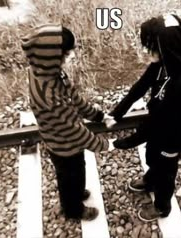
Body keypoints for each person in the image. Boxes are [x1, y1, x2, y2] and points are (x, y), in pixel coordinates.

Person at [109, 14, 181, 222]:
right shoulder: (167, 59)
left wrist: (125, 142)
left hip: (173, 136)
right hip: (160, 125)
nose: (145, 50)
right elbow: (140, 87)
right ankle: (150, 180)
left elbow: (157, 123)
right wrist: (117, 113)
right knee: (153, 156)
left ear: (165, 46)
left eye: (149, 46)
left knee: (166, 173)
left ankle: (162, 206)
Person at [21, 24, 113, 221]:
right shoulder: (48, 95)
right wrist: (103, 145)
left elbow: (72, 96)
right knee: (70, 178)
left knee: (75, 175)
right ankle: (73, 210)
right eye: (67, 53)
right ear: (52, 56)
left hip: (63, 140)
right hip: (63, 146)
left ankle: (76, 193)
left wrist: (96, 115)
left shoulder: (49, 71)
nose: (71, 56)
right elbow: (73, 130)